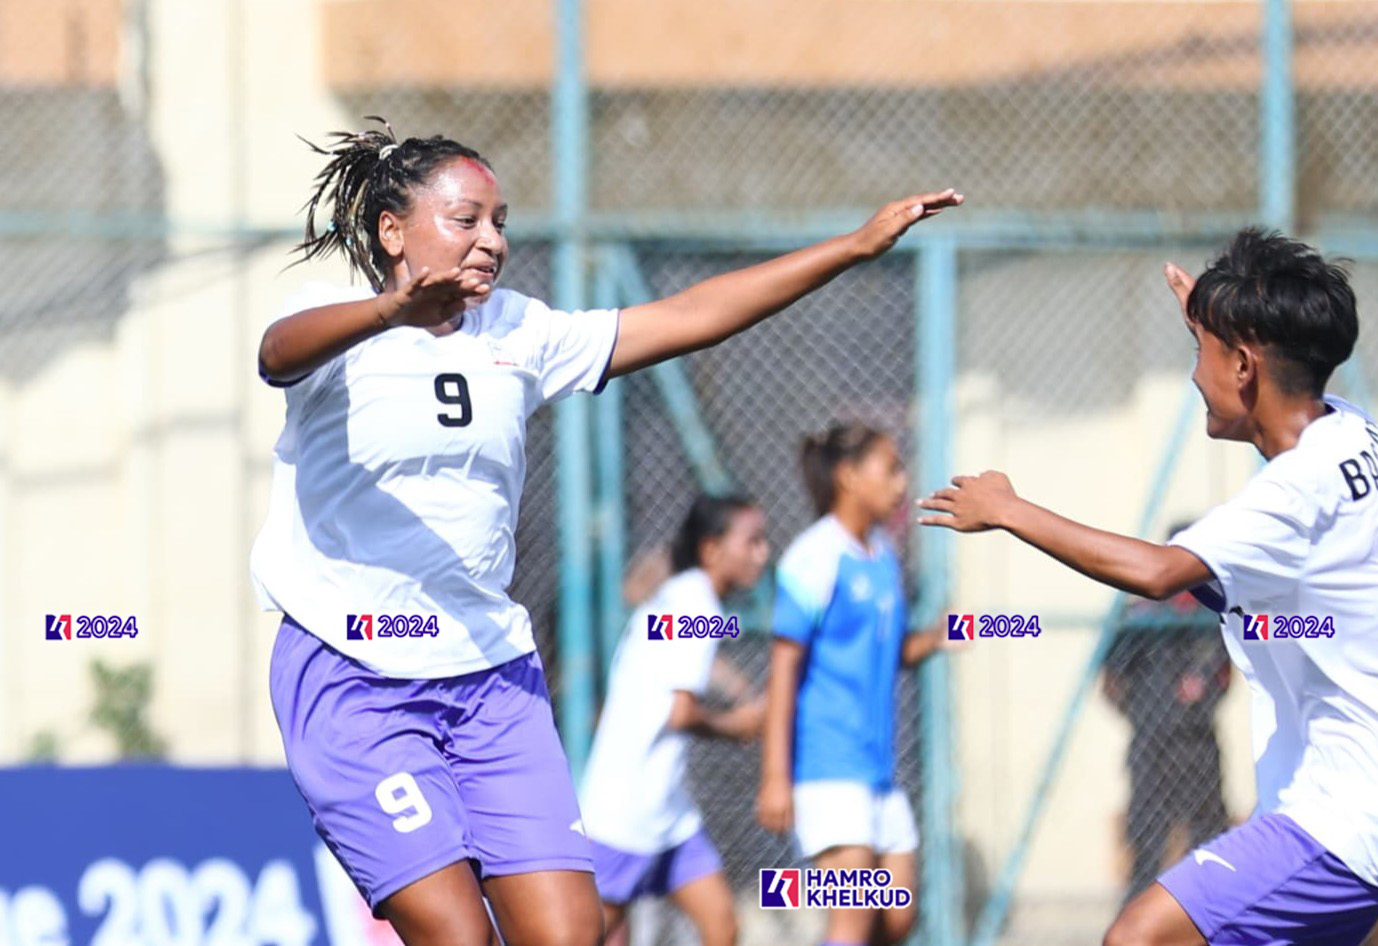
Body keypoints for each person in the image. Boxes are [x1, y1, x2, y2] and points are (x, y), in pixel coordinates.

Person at [252, 118, 960, 946]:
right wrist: (388, 312)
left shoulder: (518, 331)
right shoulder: (336, 326)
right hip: (356, 673)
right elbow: (276, 354)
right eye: (465, 219)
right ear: (391, 231)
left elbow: (692, 313)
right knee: (458, 936)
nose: (491, 241)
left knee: (571, 935)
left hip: (489, 679)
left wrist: (850, 248)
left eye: (499, 222)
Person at [918, 229, 1378, 946]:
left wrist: (1009, 510)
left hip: (1351, 820)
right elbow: (1262, 384)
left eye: (1200, 353)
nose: (1194, 377)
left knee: (1135, 937)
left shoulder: (1295, 492)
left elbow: (1156, 572)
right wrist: (1217, 323)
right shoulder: (1355, 432)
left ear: (1244, 365)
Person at [756, 423, 952, 946]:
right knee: (852, 919)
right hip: (828, 770)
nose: (902, 481)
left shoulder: (882, 554)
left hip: (879, 773)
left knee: (898, 918)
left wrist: (941, 636)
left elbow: (888, 651)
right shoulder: (813, 557)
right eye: (891, 468)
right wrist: (775, 776)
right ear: (848, 476)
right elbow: (783, 671)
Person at [579, 494, 769, 946]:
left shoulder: (686, 597)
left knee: (722, 926)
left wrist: (740, 691)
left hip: (669, 815)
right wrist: (737, 725)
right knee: (587, 934)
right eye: (752, 541)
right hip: (626, 815)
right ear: (711, 549)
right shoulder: (696, 603)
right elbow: (681, 713)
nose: (763, 553)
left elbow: (681, 658)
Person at [1097, 524, 1231, 901]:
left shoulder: (1214, 612)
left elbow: (1225, 676)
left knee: (1209, 842)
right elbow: (1111, 681)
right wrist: (1144, 715)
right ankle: (1140, 916)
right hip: (1151, 744)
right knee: (1147, 843)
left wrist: (1201, 701)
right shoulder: (1143, 614)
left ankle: (1209, 918)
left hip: (1198, 743)